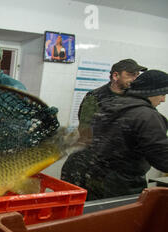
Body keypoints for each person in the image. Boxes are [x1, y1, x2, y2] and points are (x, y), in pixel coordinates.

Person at [61, 70, 168, 200]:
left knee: (78, 218)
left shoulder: (110, 104)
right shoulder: (147, 116)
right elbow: (162, 158)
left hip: (78, 175)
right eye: (162, 94)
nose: (163, 99)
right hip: (112, 186)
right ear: (150, 92)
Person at [77, 59, 147, 144]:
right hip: (101, 150)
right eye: (131, 75)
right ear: (115, 76)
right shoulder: (95, 96)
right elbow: (85, 129)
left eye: (137, 75)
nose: (135, 79)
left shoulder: (136, 97)